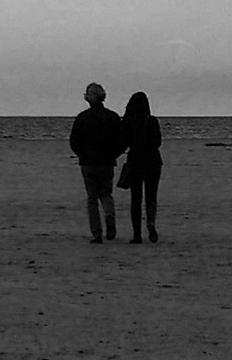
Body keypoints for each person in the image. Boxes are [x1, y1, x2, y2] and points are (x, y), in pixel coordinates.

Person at [67, 83, 124, 243]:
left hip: (88, 162)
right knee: (106, 194)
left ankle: (97, 233)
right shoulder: (112, 117)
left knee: (92, 198)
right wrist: (114, 154)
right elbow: (122, 140)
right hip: (107, 161)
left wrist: (82, 154)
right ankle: (109, 215)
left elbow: (74, 141)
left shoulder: (83, 117)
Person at [117, 90, 162, 243]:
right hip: (154, 161)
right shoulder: (152, 121)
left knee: (136, 198)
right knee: (151, 196)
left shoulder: (128, 122)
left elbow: (122, 142)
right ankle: (151, 222)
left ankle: (137, 235)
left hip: (136, 160)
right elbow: (158, 142)